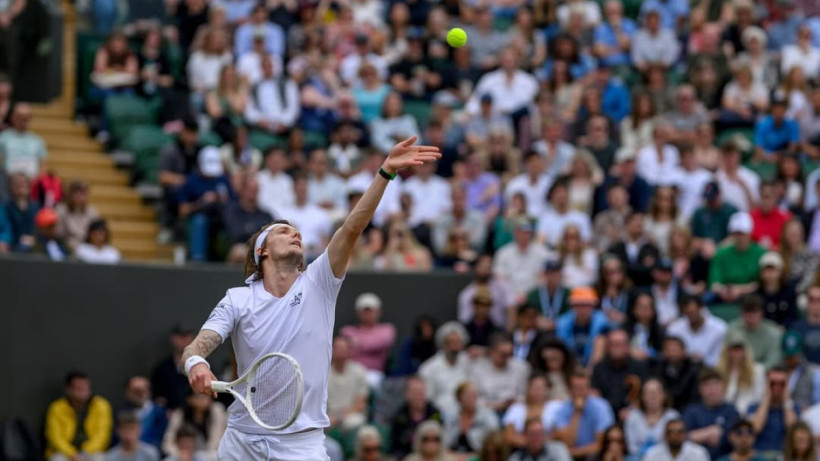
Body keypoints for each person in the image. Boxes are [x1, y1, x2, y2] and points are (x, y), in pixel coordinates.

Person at [181, 136, 440, 460]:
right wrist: (196, 364)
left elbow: (351, 228)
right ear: (262, 251)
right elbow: (196, 347)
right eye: (283, 231)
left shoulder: (319, 282)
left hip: (301, 444)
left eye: (297, 232)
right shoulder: (237, 299)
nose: (295, 234)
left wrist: (384, 173)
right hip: (242, 441)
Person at [177, 146, 234, 262]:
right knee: (200, 221)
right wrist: (201, 202)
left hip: (220, 217)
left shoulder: (223, 180)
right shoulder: (191, 181)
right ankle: (197, 259)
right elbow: (182, 210)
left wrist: (222, 199)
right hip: (199, 218)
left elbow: (234, 203)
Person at [45, 372, 112, 461]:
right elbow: (55, 437)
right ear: (69, 390)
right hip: (65, 452)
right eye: (79, 388)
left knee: (100, 458)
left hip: (91, 451)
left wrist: (85, 453)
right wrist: (72, 454)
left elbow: (102, 436)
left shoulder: (101, 406)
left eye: (85, 387)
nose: (83, 391)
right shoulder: (57, 408)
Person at [340, 292, 397, 389]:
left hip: (373, 374)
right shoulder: (348, 331)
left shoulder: (387, 329)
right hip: (348, 373)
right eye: (364, 311)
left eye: (370, 311)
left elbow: (379, 343)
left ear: (379, 311)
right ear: (358, 312)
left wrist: (356, 343)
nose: (367, 314)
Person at [553, 371, 615, 459]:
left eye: (582, 388)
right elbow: (568, 442)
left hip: (594, 455)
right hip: (569, 456)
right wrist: (577, 413)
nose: (579, 392)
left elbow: (601, 444)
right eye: (576, 388)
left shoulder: (601, 407)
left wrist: (574, 452)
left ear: (589, 389)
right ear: (570, 390)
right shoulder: (562, 409)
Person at [708, 212, 766, 304]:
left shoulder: (760, 253)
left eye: (742, 233)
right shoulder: (721, 254)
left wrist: (740, 290)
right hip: (725, 295)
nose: (739, 237)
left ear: (750, 233)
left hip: (752, 295)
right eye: (736, 234)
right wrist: (723, 291)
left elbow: (762, 283)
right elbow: (714, 283)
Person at [683, 368, 740, 459]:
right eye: (706, 385)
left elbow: (730, 439)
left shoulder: (731, 411)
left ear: (723, 386)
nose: (712, 389)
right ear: (700, 389)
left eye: (715, 384)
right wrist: (709, 432)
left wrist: (697, 436)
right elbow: (683, 437)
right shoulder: (692, 411)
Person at [591, 329, 650, 415]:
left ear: (627, 346)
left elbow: (644, 394)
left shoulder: (640, 367)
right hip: (605, 413)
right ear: (607, 347)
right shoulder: (599, 368)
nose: (616, 348)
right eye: (613, 344)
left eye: (620, 344)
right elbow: (595, 394)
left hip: (632, 413)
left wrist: (632, 409)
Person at [419, 321, 472, 414]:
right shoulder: (428, 368)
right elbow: (427, 399)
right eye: (450, 342)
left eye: (458, 342)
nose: (454, 347)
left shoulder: (469, 362)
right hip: (440, 413)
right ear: (442, 344)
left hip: (468, 412)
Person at [469, 333, 530, 414]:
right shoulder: (477, 369)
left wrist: (514, 402)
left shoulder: (521, 367)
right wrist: (495, 405)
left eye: (509, 354)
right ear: (492, 352)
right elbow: (472, 398)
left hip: (513, 411)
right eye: (503, 354)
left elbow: (524, 395)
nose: (507, 358)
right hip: (485, 411)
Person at [493, 218, 552, 299]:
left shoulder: (542, 253)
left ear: (531, 234)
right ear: (515, 233)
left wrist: (529, 295)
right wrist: (513, 296)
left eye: (527, 233)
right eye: (520, 232)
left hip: (534, 295)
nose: (524, 235)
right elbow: (500, 278)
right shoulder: (503, 253)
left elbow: (544, 277)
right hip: (508, 296)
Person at [747, 366, 799, 455]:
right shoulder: (753, 407)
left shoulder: (793, 408)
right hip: (759, 455)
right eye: (772, 383)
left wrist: (786, 400)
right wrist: (766, 398)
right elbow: (755, 428)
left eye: (782, 384)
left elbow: (793, 431)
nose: (777, 387)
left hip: (784, 455)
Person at [160, 391, 227, 459]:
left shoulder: (216, 411)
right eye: (201, 397)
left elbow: (216, 441)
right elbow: (168, 442)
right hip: (182, 454)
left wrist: (204, 455)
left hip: (208, 453)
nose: (206, 399)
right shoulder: (180, 414)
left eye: (208, 396)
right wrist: (180, 454)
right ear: (190, 399)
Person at [501, 374, 562, 448]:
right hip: (522, 449)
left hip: (549, 447)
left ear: (547, 390)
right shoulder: (516, 408)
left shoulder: (556, 406)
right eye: (535, 387)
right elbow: (509, 436)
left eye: (541, 388)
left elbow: (560, 433)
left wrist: (540, 443)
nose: (538, 391)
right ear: (528, 389)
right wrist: (532, 443)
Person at [244, 56, 300, 135]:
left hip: (284, 124)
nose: (267, 69)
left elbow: (293, 107)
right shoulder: (255, 86)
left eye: (269, 66)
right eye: (264, 66)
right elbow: (249, 110)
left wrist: (284, 122)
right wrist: (260, 121)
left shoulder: (288, 84)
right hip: (262, 125)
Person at [624, 378, 680, 458]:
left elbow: (675, 442)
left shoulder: (672, 416)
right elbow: (631, 446)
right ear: (642, 396)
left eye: (656, 393)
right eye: (648, 393)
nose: (652, 397)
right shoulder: (633, 416)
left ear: (664, 395)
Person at [666, 294, 727, 367]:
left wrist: (703, 360)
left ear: (701, 308)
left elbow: (721, 358)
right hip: (682, 369)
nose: (691, 317)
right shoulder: (674, 329)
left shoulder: (720, 328)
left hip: (710, 369)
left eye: (693, 312)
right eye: (688, 313)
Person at [390, 376, 442, 459]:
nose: (419, 395)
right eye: (415, 392)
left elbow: (441, 438)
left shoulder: (434, 413)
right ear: (407, 394)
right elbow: (396, 446)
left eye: (421, 391)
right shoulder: (399, 417)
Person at [441, 382, 500, 455]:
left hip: (479, 455)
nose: (471, 399)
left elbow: (494, 439)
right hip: (452, 455)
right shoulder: (450, 415)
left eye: (474, 396)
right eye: (468, 396)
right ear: (459, 398)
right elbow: (443, 441)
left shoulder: (487, 415)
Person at [556, 286, 609, 367]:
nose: (582, 309)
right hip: (569, 365)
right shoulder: (562, 323)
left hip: (593, 365)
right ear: (572, 306)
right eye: (578, 305)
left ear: (593, 306)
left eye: (586, 305)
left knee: (600, 341)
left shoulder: (603, 323)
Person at [726, 294, 782, 369]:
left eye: (754, 313)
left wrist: (758, 370)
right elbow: (726, 356)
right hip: (738, 369)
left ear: (762, 313)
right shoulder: (732, 328)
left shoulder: (772, 331)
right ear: (741, 313)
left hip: (764, 371)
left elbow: (774, 359)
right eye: (747, 313)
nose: (750, 318)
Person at [716, 334, 765, 416]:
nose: (736, 353)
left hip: (748, 414)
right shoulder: (719, 371)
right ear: (727, 351)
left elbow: (759, 397)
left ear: (745, 350)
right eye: (733, 349)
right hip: (725, 414)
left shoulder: (757, 370)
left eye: (739, 349)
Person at [327, 336, 368, 432]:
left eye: (344, 348)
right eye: (338, 348)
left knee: (353, 422)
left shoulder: (359, 371)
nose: (341, 351)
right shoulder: (324, 374)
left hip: (351, 415)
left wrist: (339, 418)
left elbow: (360, 404)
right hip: (329, 416)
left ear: (349, 350)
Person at [651, 337, 701, 411]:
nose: (672, 354)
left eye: (675, 350)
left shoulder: (694, 370)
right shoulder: (656, 369)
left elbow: (694, 396)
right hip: (662, 409)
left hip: (687, 408)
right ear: (663, 352)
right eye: (669, 350)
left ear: (684, 351)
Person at [119, 376, 167, 450]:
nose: (140, 394)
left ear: (149, 391)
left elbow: (161, 439)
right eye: (136, 391)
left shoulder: (160, 413)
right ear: (128, 392)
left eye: (143, 390)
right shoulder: (121, 413)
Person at [151, 326, 194, 410]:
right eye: (181, 336)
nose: (184, 340)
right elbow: (156, 395)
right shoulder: (162, 368)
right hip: (169, 413)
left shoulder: (203, 366)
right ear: (173, 338)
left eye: (187, 336)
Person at [0, 104, 46, 179]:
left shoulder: (37, 141)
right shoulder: (3, 138)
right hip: (7, 181)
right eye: (20, 116)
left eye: (27, 117)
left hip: (31, 181)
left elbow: (42, 167)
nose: (23, 119)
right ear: (13, 117)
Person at [55, 181, 99, 253]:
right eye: (76, 193)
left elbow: (96, 231)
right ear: (69, 194)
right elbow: (59, 233)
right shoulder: (61, 210)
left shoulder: (91, 211)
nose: (79, 196)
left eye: (82, 193)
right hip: (67, 244)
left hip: (88, 245)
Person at [782, 332, 820, 411]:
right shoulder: (776, 371)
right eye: (788, 356)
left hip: (807, 414)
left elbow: (818, 403)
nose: (791, 358)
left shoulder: (813, 372)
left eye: (793, 355)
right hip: (780, 414)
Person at [507, 418, 572, 461]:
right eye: (533, 433)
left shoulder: (558, 449)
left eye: (540, 433)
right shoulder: (517, 458)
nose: (537, 438)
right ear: (525, 435)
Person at [643, 419, 710, 461]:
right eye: (670, 432)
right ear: (665, 435)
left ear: (685, 435)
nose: (674, 436)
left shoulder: (698, 453)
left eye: (679, 432)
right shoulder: (653, 454)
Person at [790, 286, 820, 363]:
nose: (816, 304)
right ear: (806, 302)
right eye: (811, 299)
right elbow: (791, 357)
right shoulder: (796, 328)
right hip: (804, 368)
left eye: (819, 300)